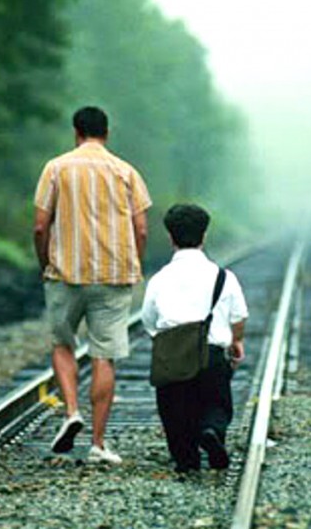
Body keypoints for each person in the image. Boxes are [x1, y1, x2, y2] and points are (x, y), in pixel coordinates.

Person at [33, 106, 152, 465]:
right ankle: (99, 444)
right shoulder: (126, 171)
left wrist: (45, 263)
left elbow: (40, 225)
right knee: (105, 356)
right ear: (107, 133)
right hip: (113, 276)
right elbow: (142, 228)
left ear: (76, 132)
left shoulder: (56, 168)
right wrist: (134, 264)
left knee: (62, 344)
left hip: (64, 273)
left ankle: (71, 412)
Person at [141, 204, 248, 473]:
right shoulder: (224, 277)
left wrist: (169, 341)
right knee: (217, 403)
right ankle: (211, 431)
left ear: (170, 237)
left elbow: (148, 319)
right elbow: (239, 315)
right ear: (204, 236)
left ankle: (186, 459)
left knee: (175, 413)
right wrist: (236, 342)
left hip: (173, 358)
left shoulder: (160, 278)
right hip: (211, 354)